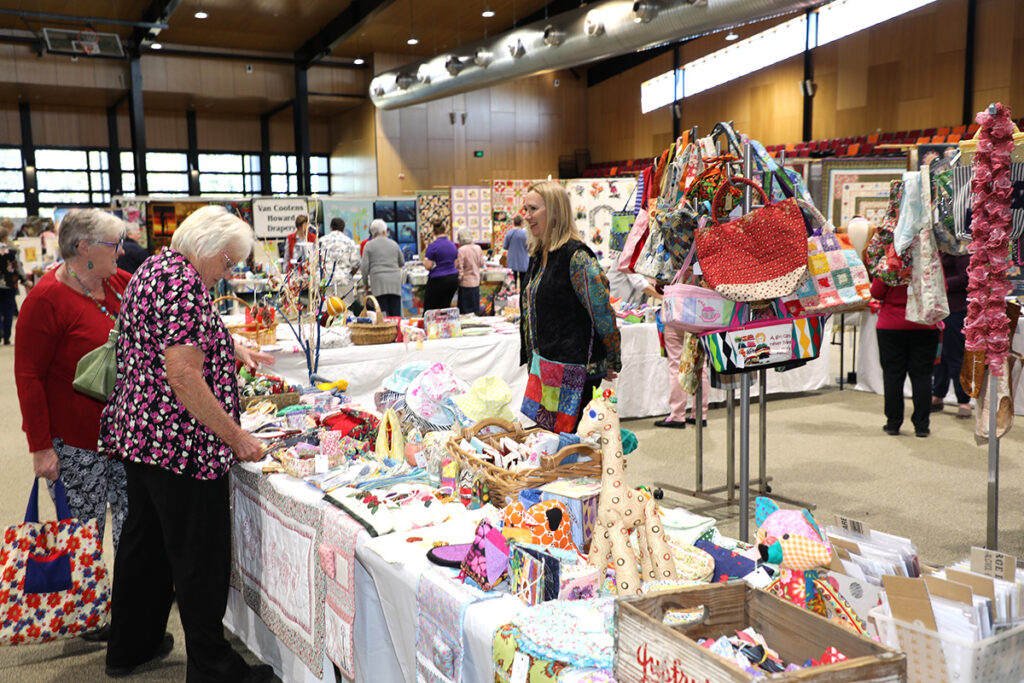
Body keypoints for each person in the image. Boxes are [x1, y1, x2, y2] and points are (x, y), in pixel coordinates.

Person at [99, 205, 274, 681]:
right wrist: (236, 437)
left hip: (142, 434)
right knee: (199, 557)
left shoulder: (156, 267)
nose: (228, 273)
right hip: (181, 445)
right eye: (229, 263)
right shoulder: (183, 284)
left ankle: (131, 646)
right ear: (212, 251)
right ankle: (213, 667)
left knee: (146, 546)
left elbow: (171, 339)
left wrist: (228, 344)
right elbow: (182, 375)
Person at [14, 209, 130, 573]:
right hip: (74, 441)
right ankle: (90, 612)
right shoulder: (46, 299)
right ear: (85, 248)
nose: (122, 252)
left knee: (134, 523)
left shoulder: (117, 283)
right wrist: (41, 448)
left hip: (125, 432)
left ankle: (134, 611)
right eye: (116, 244)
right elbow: (28, 377)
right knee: (84, 531)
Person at [519, 181, 621, 431]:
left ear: (554, 211)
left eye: (533, 209)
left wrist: (612, 358)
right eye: (526, 209)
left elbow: (602, 312)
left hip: (575, 372)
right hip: (546, 370)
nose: (527, 216)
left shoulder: (577, 258)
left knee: (574, 449)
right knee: (552, 446)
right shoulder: (539, 255)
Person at [871, 276, 940, 437]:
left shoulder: (888, 263)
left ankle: (893, 423)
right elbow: (941, 290)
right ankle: (922, 426)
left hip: (891, 324)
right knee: (922, 376)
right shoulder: (930, 260)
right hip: (924, 323)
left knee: (892, 375)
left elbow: (877, 292)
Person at [932, 253, 971, 418]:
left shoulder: (960, 251)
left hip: (955, 309)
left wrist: (938, 284)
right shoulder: (937, 249)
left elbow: (966, 278)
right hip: (939, 308)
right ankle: (938, 395)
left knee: (956, 356)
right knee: (939, 355)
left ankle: (963, 400)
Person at [360, 218, 405, 317]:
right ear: (385, 231)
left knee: (383, 314)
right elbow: (402, 262)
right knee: (396, 313)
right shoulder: (394, 244)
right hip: (395, 283)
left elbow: (364, 267)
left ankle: (385, 331)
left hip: (378, 283)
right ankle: (396, 331)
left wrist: (365, 283)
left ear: (372, 233)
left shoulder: (369, 246)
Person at [320, 217, 361, 303]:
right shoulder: (349, 242)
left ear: (331, 228)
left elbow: (315, 261)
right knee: (344, 309)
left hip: (325, 282)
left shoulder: (322, 241)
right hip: (344, 281)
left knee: (326, 311)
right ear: (343, 229)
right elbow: (356, 264)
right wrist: (349, 275)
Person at [0, 218, 28, 343]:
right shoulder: (12, 251)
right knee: (8, 310)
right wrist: (25, 280)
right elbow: (18, 267)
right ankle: (6, 337)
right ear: (6, 238)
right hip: (9, 284)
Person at [423, 219, 459, 311]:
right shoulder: (452, 245)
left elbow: (428, 266)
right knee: (445, 307)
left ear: (434, 232)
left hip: (438, 280)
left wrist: (424, 261)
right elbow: (456, 263)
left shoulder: (433, 246)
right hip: (453, 279)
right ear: (445, 230)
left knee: (430, 308)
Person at [455, 229, 485, 315]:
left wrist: (458, 282)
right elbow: (481, 263)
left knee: (465, 312)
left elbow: (460, 269)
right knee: (475, 311)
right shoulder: (478, 248)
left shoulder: (461, 250)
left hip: (465, 284)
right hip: (475, 282)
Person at [503, 214, 530, 290]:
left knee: (512, 284)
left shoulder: (509, 233)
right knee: (523, 284)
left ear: (514, 223)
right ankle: (521, 300)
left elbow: (505, 247)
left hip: (512, 262)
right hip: (523, 262)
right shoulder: (525, 234)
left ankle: (513, 299)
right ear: (521, 223)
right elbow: (529, 248)